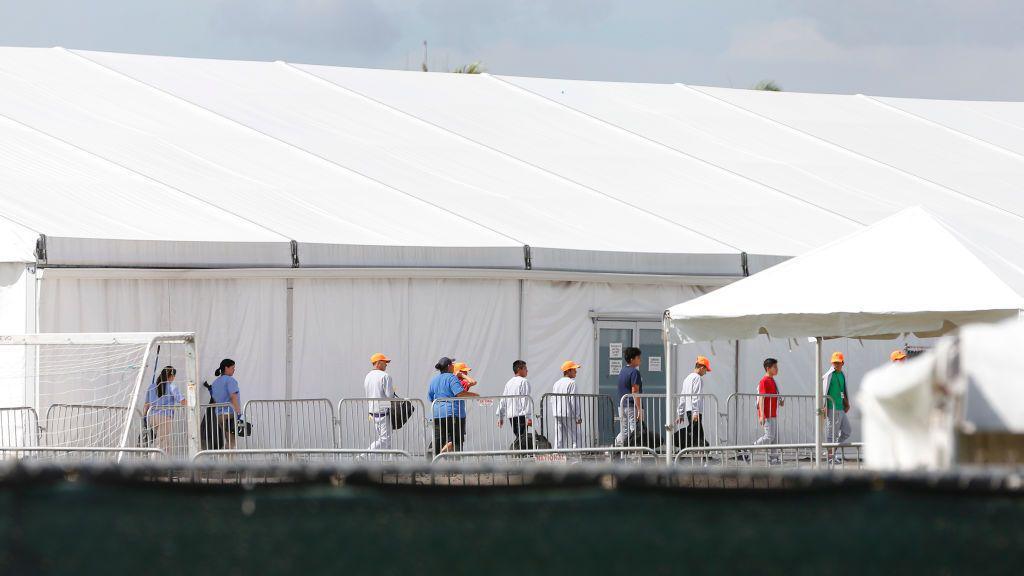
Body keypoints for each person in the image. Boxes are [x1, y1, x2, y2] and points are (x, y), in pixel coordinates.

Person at [428, 357, 478, 455]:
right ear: (449, 366)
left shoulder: (434, 380)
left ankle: (429, 464)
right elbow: (460, 393)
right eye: (452, 364)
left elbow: (430, 397)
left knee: (438, 440)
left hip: (437, 414)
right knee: (457, 441)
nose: (453, 366)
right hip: (453, 413)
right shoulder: (452, 378)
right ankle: (456, 467)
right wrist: (474, 395)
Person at [144, 366, 185, 455]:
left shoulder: (152, 386)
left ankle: (165, 463)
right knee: (162, 444)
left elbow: (146, 404)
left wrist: (144, 418)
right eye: (174, 376)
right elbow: (182, 401)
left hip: (151, 417)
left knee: (162, 442)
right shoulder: (172, 386)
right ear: (171, 376)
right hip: (164, 417)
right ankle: (157, 465)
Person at [675, 356, 711, 450]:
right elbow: (696, 395)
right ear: (702, 367)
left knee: (696, 432)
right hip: (695, 410)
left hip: (688, 409)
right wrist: (696, 412)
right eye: (706, 370)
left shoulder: (687, 378)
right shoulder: (697, 378)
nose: (705, 372)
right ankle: (677, 442)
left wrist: (681, 413)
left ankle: (701, 452)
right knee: (696, 432)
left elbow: (682, 396)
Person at [822, 351, 852, 463]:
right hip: (831, 408)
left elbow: (842, 391)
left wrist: (846, 403)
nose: (836, 364)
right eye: (834, 362)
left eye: (838, 362)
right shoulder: (828, 375)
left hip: (840, 408)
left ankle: (832, 451)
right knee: (831, 434)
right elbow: (823, 391)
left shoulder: (842, 375)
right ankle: (830, 457)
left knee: (847, 431)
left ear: (843, 363)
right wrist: (823, 406)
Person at [754, 358, 784, 464]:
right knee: (769, 436)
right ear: (768, 368)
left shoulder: (773, 381)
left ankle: (774, 458)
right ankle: (750, 448)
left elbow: (774, 395)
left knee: (775, 437)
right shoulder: (764, 381)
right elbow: (761, 398)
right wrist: (762, 415)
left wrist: (780, 401)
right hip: (767, 414)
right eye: (774, 367)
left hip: (773, 413)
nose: (777, 369)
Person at [497, 360, 532, 449]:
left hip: (511, 415)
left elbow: (503, 400)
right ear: (519, 369)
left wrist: (500, 416)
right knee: (522, 438)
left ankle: (519, 455)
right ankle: (521, 456)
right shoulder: (524, 381)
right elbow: (526, 400)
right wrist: (528, 417)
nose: (527, 371)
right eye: (525, 368)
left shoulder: (509, 383)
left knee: (519, 437)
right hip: (521, 414)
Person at [364, 353, 395, 451]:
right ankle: (364, 456)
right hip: (383, 411)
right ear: (378, 363)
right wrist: (393, 391)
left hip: (372, 411)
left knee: (386, 440)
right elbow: (389, 395)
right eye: (385, 362)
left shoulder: (367, 376)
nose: (386, 364)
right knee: (385, 439)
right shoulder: (385, 376)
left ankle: (387, 461)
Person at [210, 358, 243, 449]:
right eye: (232, 368)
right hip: (230, 414)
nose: (234, 370)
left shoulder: (215, 383)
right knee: (232, 441)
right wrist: (239, 413)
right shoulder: (230, 380)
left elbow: (215, 400)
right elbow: (233, 397)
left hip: (219, 415)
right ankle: (229, 462)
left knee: (228, 439)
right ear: (226, 368)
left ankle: (225, 459)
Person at [614, 347, 643, 447]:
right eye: (638, 358)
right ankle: (634, 451)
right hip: (631, 405)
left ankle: (616, 447)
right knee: (634, 429)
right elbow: (635, 391)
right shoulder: (634, 372)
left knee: (624, 430)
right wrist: (639, 409)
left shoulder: (622, 371)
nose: (640, 360)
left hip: (622, 405)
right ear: (632, 359)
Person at [551, 361, 582, 449]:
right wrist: (577, 416)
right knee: (577, 438)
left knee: (559, 439)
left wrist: (555, 412)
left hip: (557, 414)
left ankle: (557, 458)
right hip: (569, 414)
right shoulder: (572, 383)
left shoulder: (556, 383)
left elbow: (553, 399)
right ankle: (576, 459)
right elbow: (573, 401)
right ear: (568, 371)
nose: (576, 371)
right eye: (574, 369)